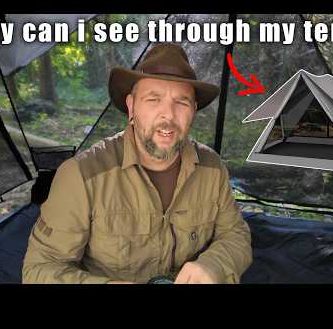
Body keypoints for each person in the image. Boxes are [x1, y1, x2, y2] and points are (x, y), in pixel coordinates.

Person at [22, 43, 252, 284]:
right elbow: (40, 268)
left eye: (181, 102)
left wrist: (214, 266)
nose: (168, 115)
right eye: (153, 99)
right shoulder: (81, 176)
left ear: (193, 110)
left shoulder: (212, 169)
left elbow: (235, 234)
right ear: (132, 107)